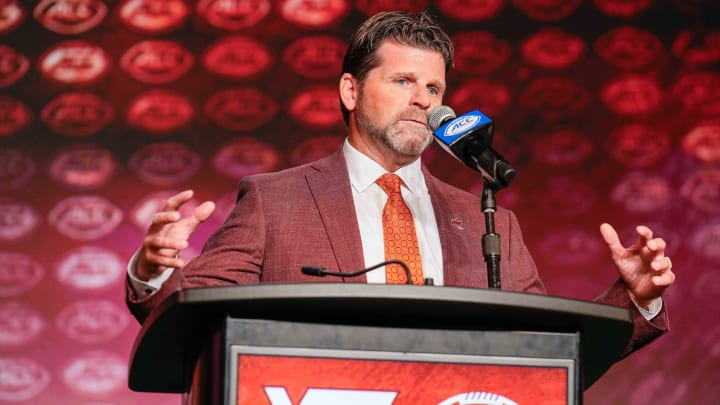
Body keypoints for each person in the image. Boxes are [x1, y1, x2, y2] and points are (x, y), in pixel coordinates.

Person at [126, 11, 674, 358]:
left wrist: (636, 301)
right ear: (350, 90)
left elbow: (550, 354)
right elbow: (193, 320)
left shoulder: (489, 218)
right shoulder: (276, 200)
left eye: (435, 87)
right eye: (404, 81)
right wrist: (152, 275)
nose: (424, 100)